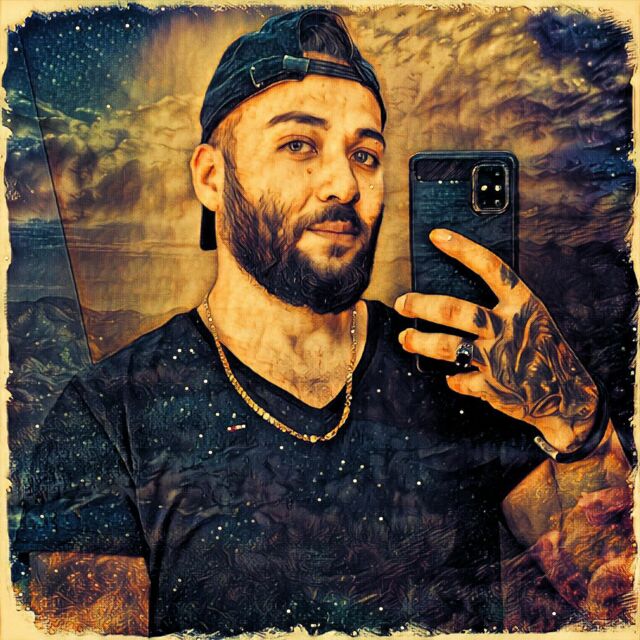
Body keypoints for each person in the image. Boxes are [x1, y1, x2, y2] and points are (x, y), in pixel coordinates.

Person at [11, 8, 634, 637]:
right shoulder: (104, 416)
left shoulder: (463, 369)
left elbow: (617, 601)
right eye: (299, 145)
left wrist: (574, 414)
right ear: (211, 176)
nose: (344, 183)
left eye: (365, 154)